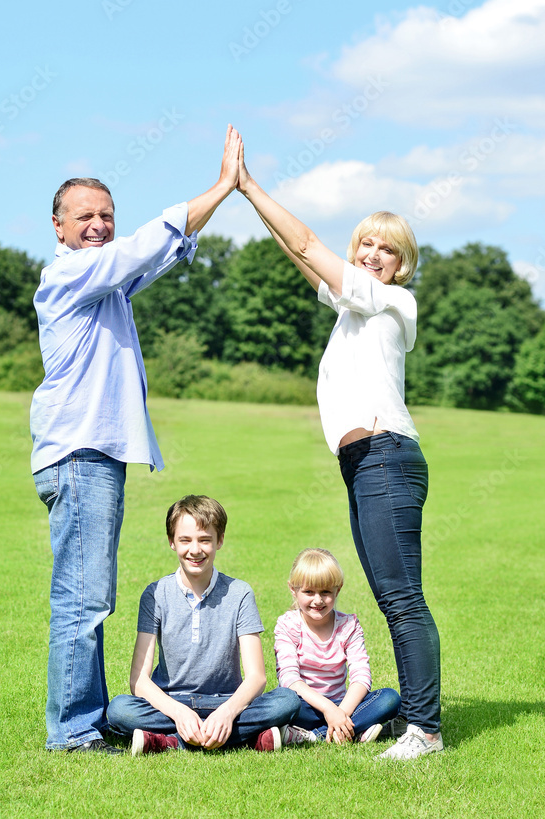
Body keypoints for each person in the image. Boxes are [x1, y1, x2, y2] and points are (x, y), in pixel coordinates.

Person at [31, 128, 244, 753]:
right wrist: (222, 187)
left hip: (94, 456)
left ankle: (87, 722)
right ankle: (72, 732)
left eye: (107, 216)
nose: (98, 225)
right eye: (84, 216)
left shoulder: (104, 284)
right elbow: (143, 247)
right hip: (79, 455)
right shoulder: (68, 275)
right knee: (83, 598)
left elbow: (151, 259)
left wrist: (200, 224)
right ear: (58, 226)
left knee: (90, 595)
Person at [236, 135, 443, 760]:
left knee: (403, 599)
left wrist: (248, 186)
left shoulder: (392, 302)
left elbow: (307, 245)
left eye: (389, 248)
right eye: (366, 244)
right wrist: (253, 207)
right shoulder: (354, 306)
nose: (375, 254)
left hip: (387, 458)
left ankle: (426, 730)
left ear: (402, 265)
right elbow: (301, 258)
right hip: (365, 464)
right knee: (392, 595)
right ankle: (409, 717)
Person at [106, 495, 303, 754]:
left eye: (205, 540)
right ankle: (244, 737)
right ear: (171, 542)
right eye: (185, 540)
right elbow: (139, 681)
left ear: (219, 540)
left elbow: (257, 678)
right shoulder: (155, 594)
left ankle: (170, 742)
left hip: (225, 701)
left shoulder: (240, 593)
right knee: (119, 709)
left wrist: (227, 713)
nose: (195, 550)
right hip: (171, 702)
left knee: (286, 701)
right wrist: (178, 713)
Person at [275, 548, 401, 744]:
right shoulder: (287, 625)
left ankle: (313, 736)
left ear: (338, 589)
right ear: (293, 589)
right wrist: (328, 710)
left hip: (343, 705)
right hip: (304, 706)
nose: (317, 600)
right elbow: (289, 679)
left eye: (325, 592)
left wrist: (340, 712)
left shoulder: (349, 626)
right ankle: (355, 730)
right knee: (281, 702)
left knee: (390, 699)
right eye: (309, 592)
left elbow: (361, 677)